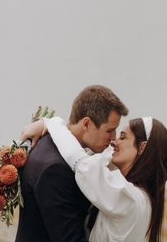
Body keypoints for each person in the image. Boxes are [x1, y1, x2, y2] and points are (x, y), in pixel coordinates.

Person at [22, 113, 167, 242]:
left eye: (123, 137)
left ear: (142, 147)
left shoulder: (129, 199)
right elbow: (96, 159)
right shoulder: (142, 199)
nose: (114, 141)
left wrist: (52, 123)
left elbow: (83, 164)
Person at [15, 85, 129, 242]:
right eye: (109, 131)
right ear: (86, 124)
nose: (113, 138)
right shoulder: (55, 170)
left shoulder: (52, 142)